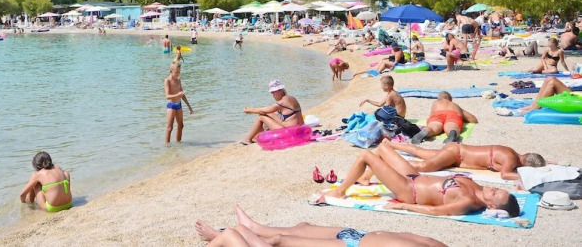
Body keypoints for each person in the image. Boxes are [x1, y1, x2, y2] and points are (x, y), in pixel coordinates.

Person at [322, 144, 520, 218]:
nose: (493, 188)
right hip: (415, 177)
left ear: (492, 205)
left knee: (365, 155)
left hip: (409, 190)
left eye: (495, 194)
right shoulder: (478, 188)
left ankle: (340, 191)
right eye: (497, 189)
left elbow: (435, 211)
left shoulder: (468, 202)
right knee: (383, 148)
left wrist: (404, 206)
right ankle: (365, 178)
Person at [194, 204, 448, 247]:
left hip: (353, 245)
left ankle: (227, 235)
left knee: (278, 241)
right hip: (359, 235)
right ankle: (252, 227)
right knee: (302, 226)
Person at [382, 140, 546, 180]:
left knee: (420, 152)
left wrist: (549, 163)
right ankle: (387, 161)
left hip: (456, 151)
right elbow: (505, 175)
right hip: (456, 154)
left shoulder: (513, 153)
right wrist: (530, 175)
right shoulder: (510, 159)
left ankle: (389, 144)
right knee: (424, 166)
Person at [240, 80, 302, 145]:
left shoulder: (282, 102)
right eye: (272, 93)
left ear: (281, 90)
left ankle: (247, 140)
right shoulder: (291, 98)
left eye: (274, 92)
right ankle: (257, 136)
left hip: (290, 132)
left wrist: (249, 110)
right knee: (269, 114)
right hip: (298, 129)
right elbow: (267, 111)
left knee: (261, 117)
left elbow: (263, 110)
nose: (273, 95)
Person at [410, 91, 478, 144]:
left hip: (438, 114)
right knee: (452, 126)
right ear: (450, 99)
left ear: (439, 98)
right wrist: (462, 116)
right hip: (452, 114)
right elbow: (473, 119)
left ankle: (426, 131)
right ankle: (452, 133)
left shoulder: (436, 103)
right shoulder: (454, 105)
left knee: (433, 126)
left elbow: (431, 116)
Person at [164, 61, 193, 143]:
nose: (178, 74)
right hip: (171, 105)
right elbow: (167, 96)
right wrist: (177, 95)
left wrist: (189, 107)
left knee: (181, 125)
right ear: (171, 71)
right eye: (176, 72)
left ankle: (178, 144)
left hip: (179, 104)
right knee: (170, 128)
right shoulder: (167, 81)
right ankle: (167, 146)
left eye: (179, 72)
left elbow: (182, 95)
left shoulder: (178, 80)